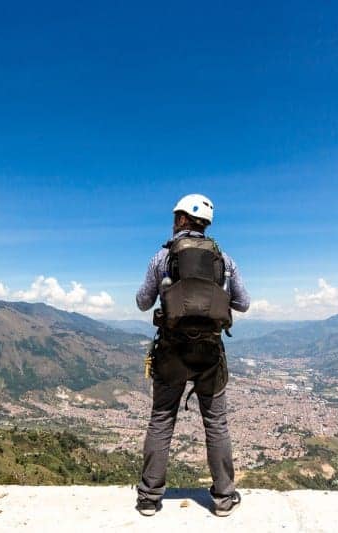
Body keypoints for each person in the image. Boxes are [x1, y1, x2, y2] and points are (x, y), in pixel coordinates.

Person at [135, 193, 250, 517]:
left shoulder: (162, 257)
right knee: (216, 424)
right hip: (210, 353)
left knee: (161, 419)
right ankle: (224, 498)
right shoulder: (225, 260)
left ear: (184, 220)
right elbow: (243, 303)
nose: (173, 223)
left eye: (176, 217)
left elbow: (144, 302)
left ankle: (148, 497)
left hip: (172, 351)